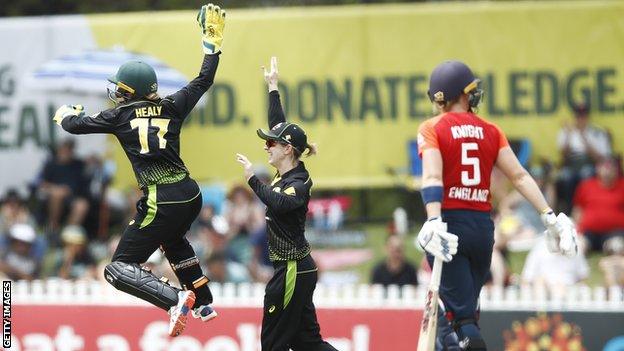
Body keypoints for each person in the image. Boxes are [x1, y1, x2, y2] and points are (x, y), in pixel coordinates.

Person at [52, 3, 226, 337]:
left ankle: (176, 300)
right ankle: (204, 300)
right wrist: (211, 44)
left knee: (117, 269)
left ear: (129, 92)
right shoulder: (172, 106)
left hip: (162, 197)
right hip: (190, 193)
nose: (116, 94)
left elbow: (74, 125)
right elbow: (204, 79)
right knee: (173, 239)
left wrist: (65, 113)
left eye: (120, 89)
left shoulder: (119, 116)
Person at [416, 60, 578, 350]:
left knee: (464, 324)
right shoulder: (490, 130)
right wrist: (549, 215)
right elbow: (519, 175)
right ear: (462, 94)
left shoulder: (431, 128)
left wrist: (433, 219)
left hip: (449, 228)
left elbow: (431, 175)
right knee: (459, 313)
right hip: (481, 229)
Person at [235, 56, 337, 351]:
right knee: (306, 342)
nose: (266, 147)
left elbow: (279, 203)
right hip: (295, 268)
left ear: (287, 149)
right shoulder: (286, 169)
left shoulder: (299, 183)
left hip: (292, 268)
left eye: (271, 144)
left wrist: (253, 180)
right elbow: (277, 123)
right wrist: (272, 87)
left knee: (274, 343)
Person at [556, 102, 612, 213]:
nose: (580, 118)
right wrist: (568, 135)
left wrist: (584, 137)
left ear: (587, 116)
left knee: (585, 175)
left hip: (589, 163)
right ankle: (568, 210)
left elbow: (602, 157)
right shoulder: (567, 131)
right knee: (565, 177)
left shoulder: (597, 132)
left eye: (583, 115)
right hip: (571, 164)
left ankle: (587, 208)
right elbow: (563, 154)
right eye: (578, 115)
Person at [572, 157, 624, 253]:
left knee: (617, 247)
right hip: (588, 233)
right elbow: (578, 210)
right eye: (604, 167)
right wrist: (577, 229)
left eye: (611, 167)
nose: (607, 171)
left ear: (617, 170)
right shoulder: (586, 185)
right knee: (578, 247)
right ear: (597, 168)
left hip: (616, 233)